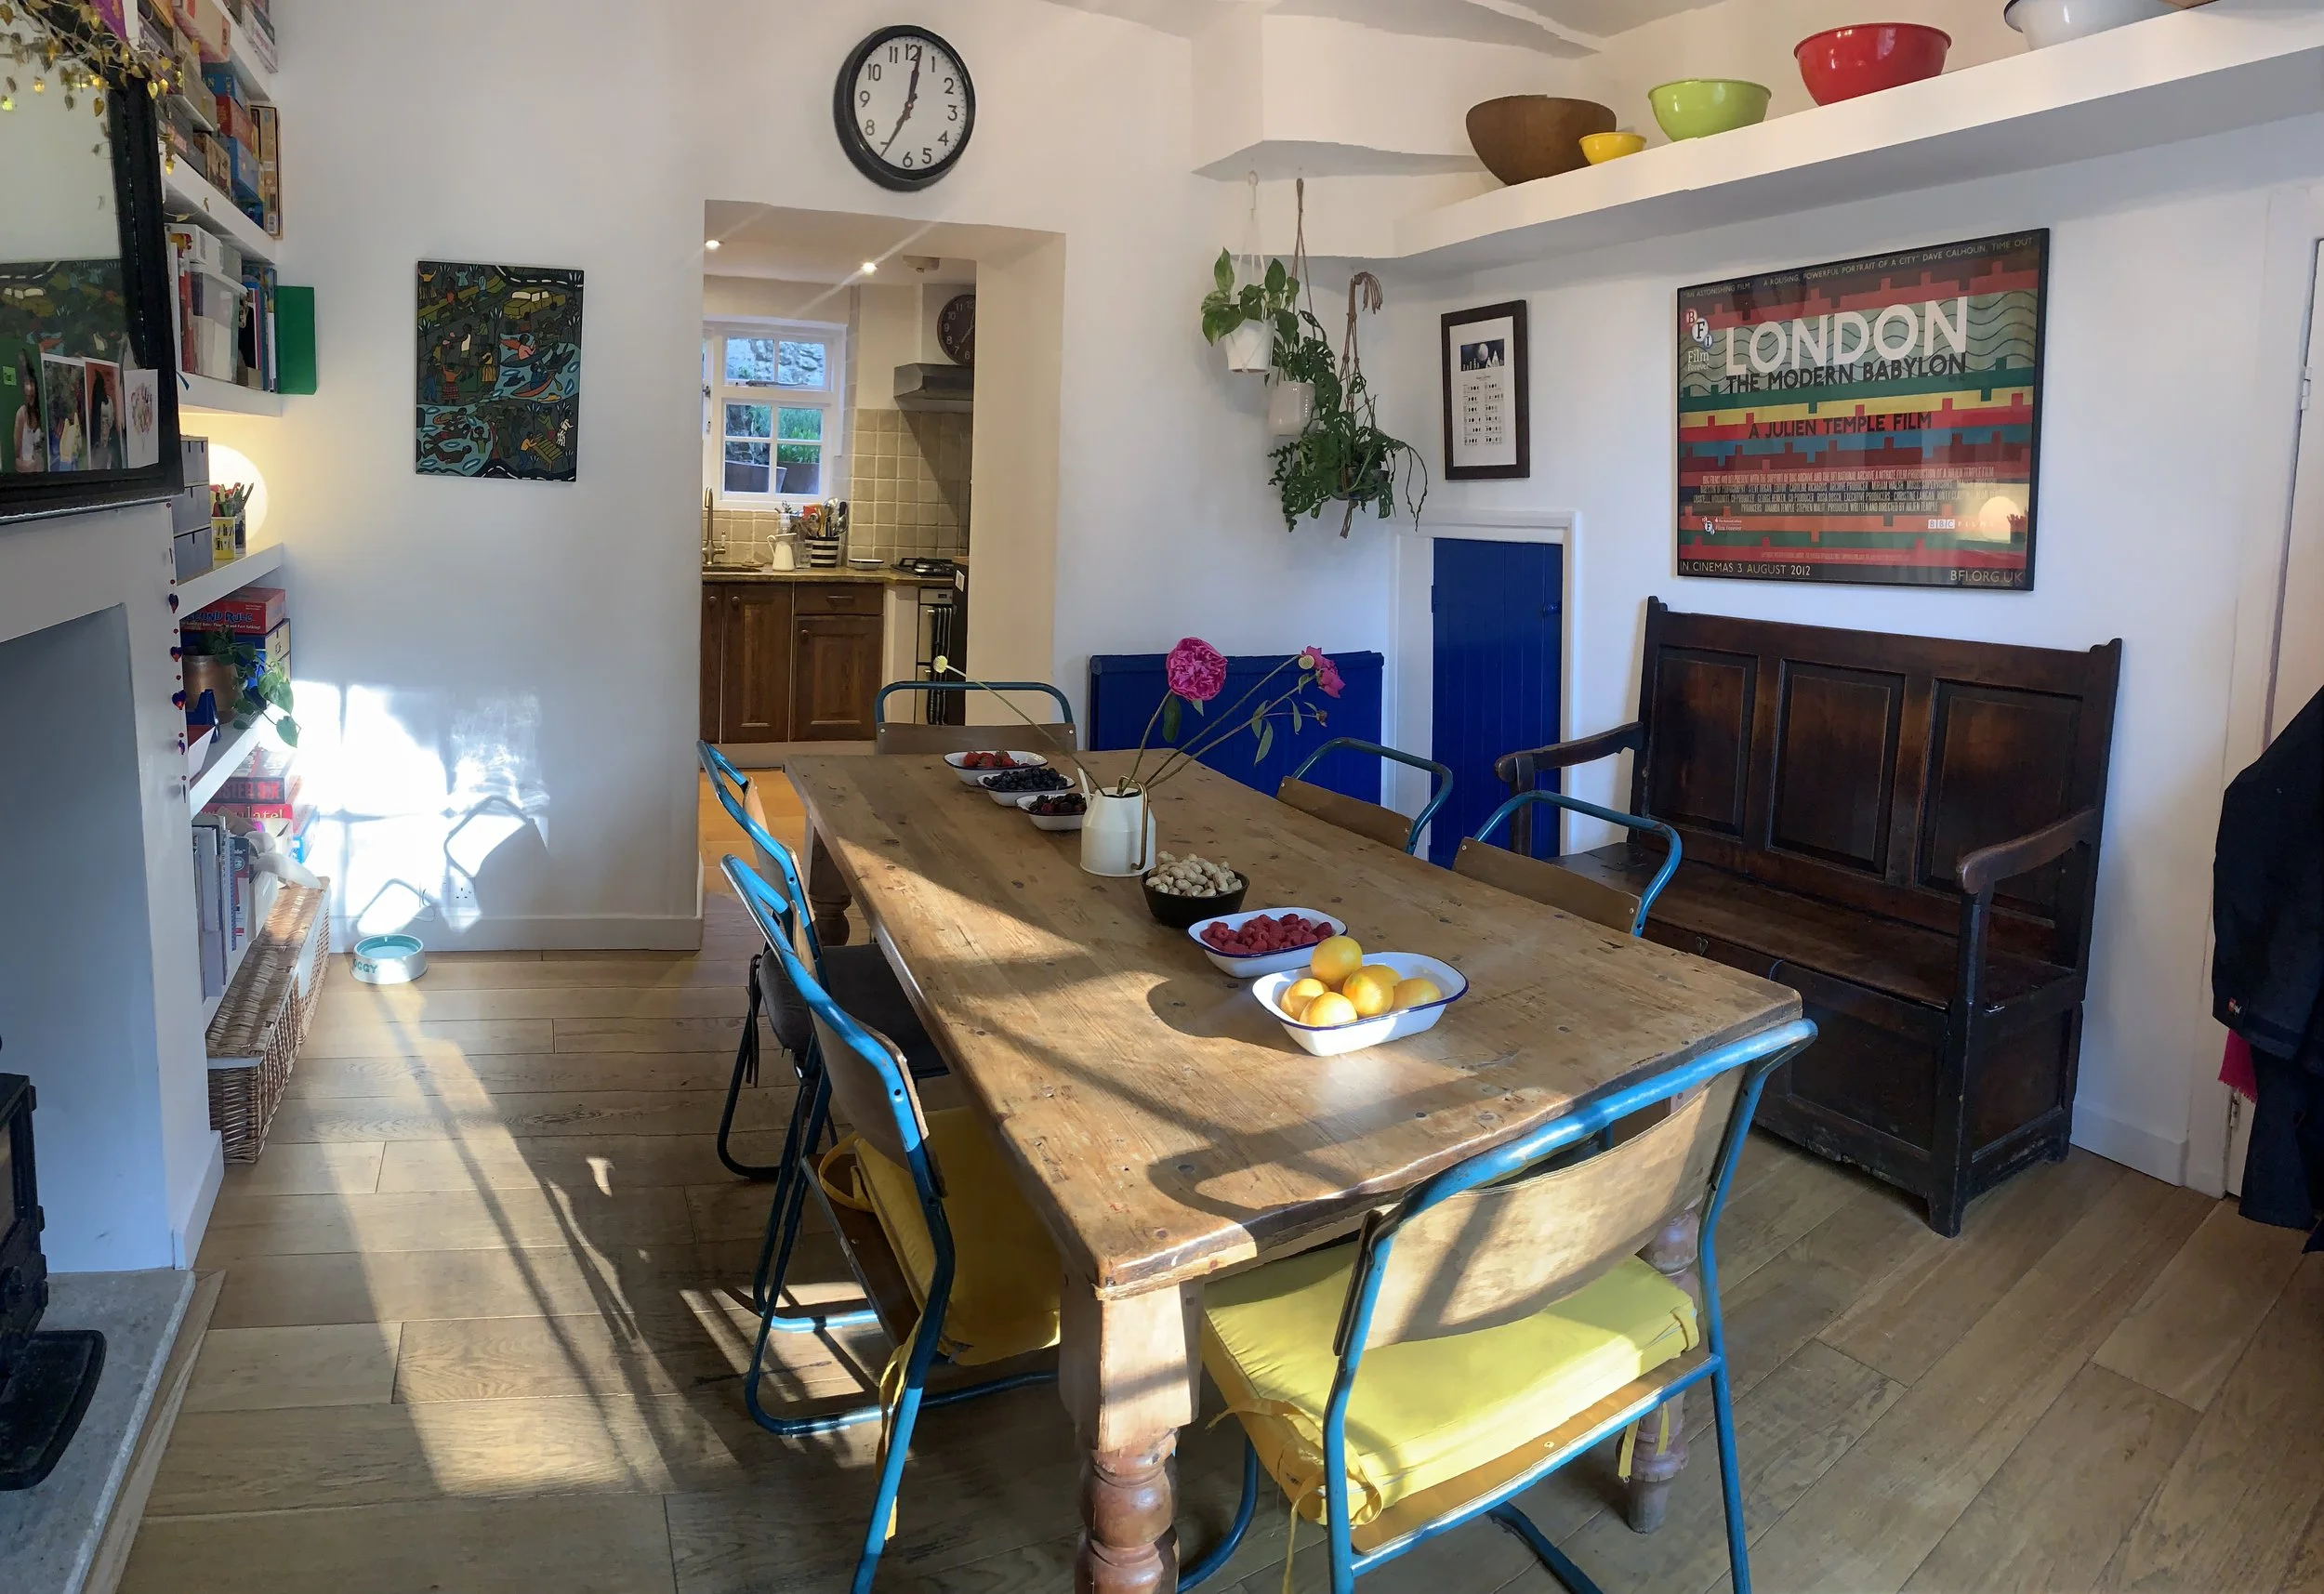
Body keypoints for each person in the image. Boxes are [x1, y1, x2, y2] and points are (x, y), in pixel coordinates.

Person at [8, 362, 42, 473]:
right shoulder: (21, 413)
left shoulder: (41, 412)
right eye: (26, 383)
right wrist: (28, 466)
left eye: (32, 383)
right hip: (27, 475)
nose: (29, 388)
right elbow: (17, 457)